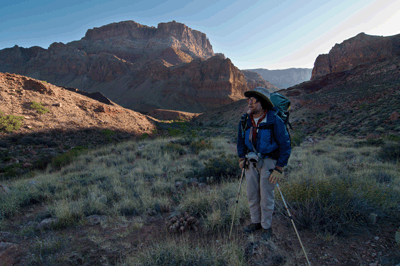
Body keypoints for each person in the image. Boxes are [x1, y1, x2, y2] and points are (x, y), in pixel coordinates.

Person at [237, 87, 291, 241]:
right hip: (250, 162)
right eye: (248, 99)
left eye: (253, 100)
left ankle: (266, 226)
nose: (249, 102)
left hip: (269, 163)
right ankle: (256, 222)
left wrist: (279, 169)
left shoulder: (275, 121)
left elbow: (285, 145)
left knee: (266, 196)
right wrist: (241, 158)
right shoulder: (245, 120)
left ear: (262, 103)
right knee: (252, 194)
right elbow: (240, 141)